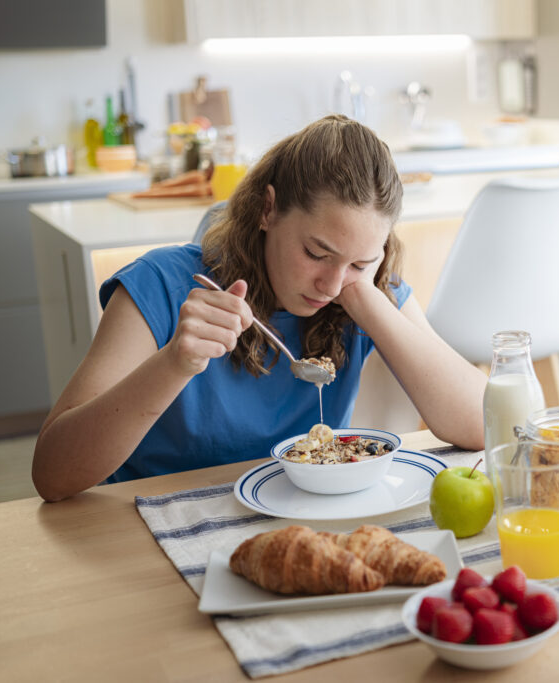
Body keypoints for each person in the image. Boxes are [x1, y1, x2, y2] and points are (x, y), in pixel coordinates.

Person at [32, 115, 487, 502]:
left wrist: (371, 299)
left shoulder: (359, 291)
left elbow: (484, 425)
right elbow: (52, 474)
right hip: (145, 524)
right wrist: (175, 364)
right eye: (316, 253)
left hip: (287, 521)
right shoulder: (161, 284)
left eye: (359, 262)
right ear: (268, 210)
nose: (330, 285)